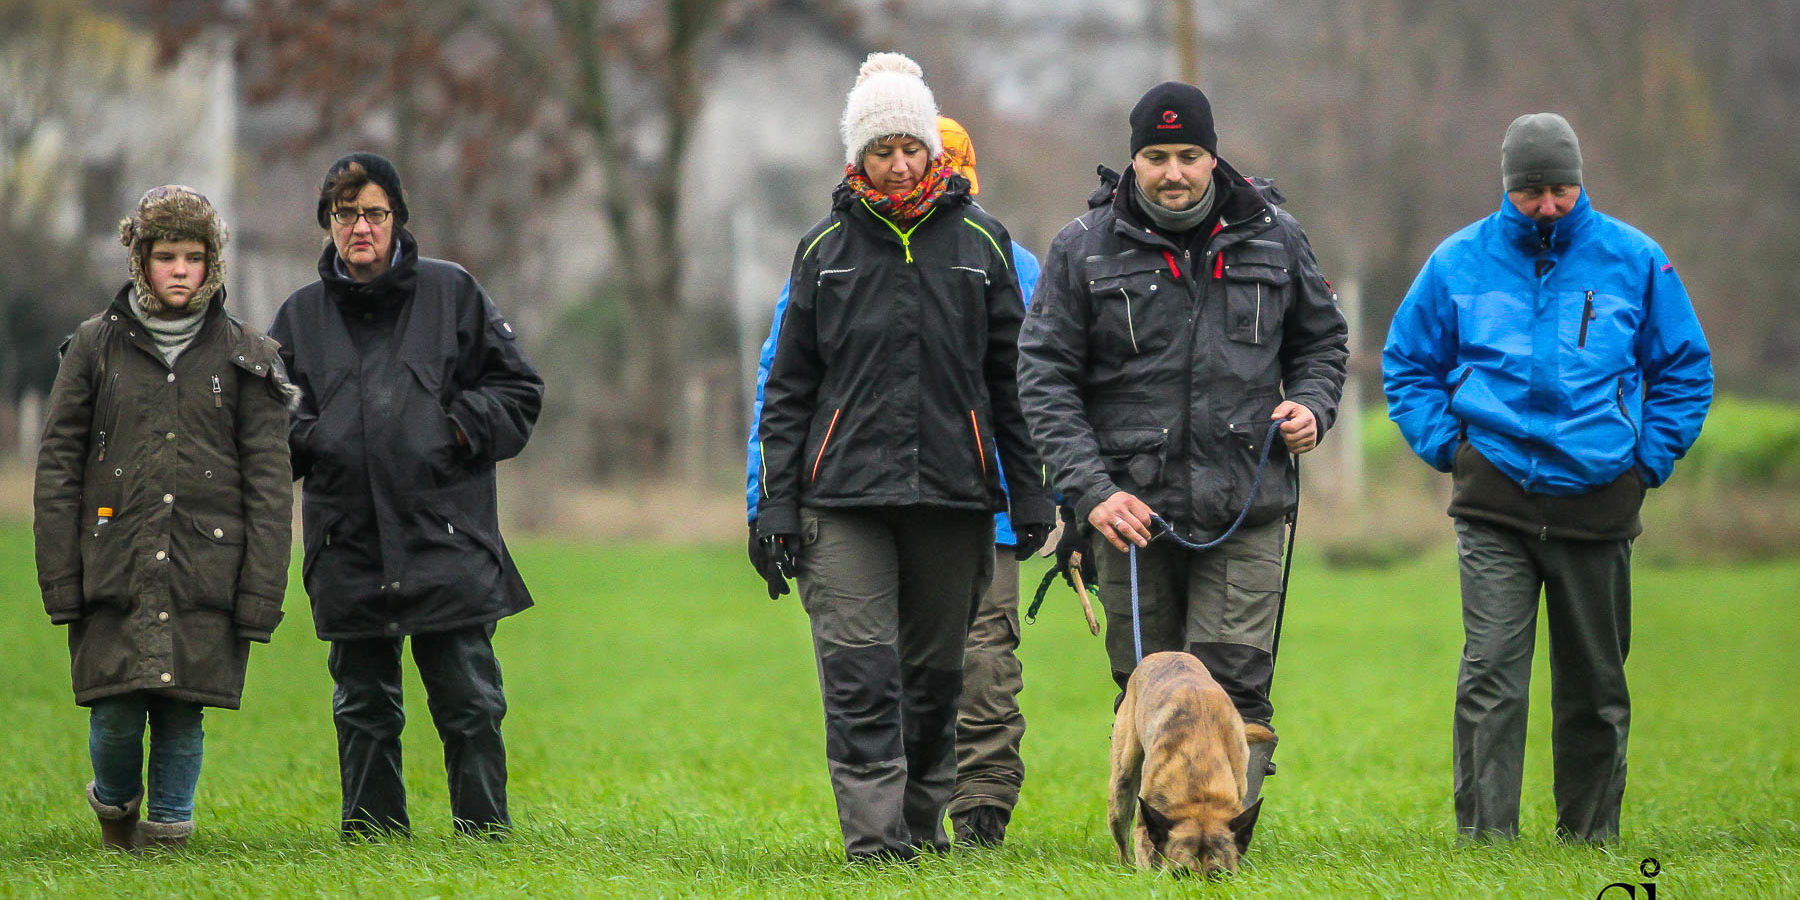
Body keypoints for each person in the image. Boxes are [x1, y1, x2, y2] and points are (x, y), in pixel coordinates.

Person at [1016, 81, 1348, 824]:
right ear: (1134, 160)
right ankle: (1155, 844)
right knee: (1150, 689)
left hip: (1245, 503)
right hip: (1129, 514)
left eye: (1189, 155)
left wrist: (1313, 406)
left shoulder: (1276, 236)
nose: (1174, 172)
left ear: (1213, 158)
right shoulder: (1081, 247)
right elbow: (1043, 379)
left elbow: (1323, 342)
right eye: (1157, 156)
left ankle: (1223, 845)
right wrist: (1092, 493)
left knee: (1235, 687)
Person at [753, 53, 1053, 862]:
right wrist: (773, 505)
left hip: (954, 498)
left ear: (931, 149)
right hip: (841, 501)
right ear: (858, 156)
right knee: (860, 678)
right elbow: (787, 391)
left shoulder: (984, 245)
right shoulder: (823, 249)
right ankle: (875, 843)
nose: (898, 164)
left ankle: (921, 826)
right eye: (880, 149)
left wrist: (1031, 493)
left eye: (910, 147)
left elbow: (1013, 383)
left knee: (932, 683)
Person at [1382, 113, 1712, 843]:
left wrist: (1647, 461)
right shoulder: (1457, 261)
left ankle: (1589, 839)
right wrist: (1449, 448)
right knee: (1491, 678)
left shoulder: (1635, 259)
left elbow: (1685, 370)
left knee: (1595, 683)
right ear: (1508, 188)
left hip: (1600, 500)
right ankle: (1487, 843)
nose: (1548, 206)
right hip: (1493, 500)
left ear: (1579, 182)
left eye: (1561, 190)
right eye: (1531, 193)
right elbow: (1406, 363)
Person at [269, 153, 544, 839]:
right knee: (362, 706)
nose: (360, 227)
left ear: (396, 219)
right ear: (328, 223)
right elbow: (266, 426)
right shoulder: (299, 318)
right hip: (347, 542)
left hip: (446, 535)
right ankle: (373, 838)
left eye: (374, 213)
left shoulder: (453, 293)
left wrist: (453, 429)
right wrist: (320, 438)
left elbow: (518, 391)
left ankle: (484, 834)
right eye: (345, 214)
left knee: (470, 702)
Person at [34, 185, 294, 851]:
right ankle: (115, 811)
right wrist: (60, 578)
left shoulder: (248, 358)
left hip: (206, 569)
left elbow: (270, 488)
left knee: (182, 713)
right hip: (111, 564)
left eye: (194, 256)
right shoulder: (93, 347)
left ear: (213, 264)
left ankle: (171, 836)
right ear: (141, 260)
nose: (180, 270)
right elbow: (58, 467)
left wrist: (260, 593)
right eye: (166, 255)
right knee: (116, 711)